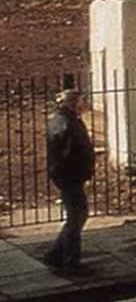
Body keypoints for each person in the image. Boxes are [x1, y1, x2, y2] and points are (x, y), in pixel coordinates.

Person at [44, 77, 95, 273]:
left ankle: (55, 254)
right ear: (72, 103)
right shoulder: (68, 125)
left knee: (76, 216)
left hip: (66, 176)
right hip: (70, 177)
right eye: (81, 101)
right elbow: (70, 153)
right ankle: (70, 261)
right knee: (77, 217)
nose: (84, 105)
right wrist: (82, 170)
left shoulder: (62, 121)